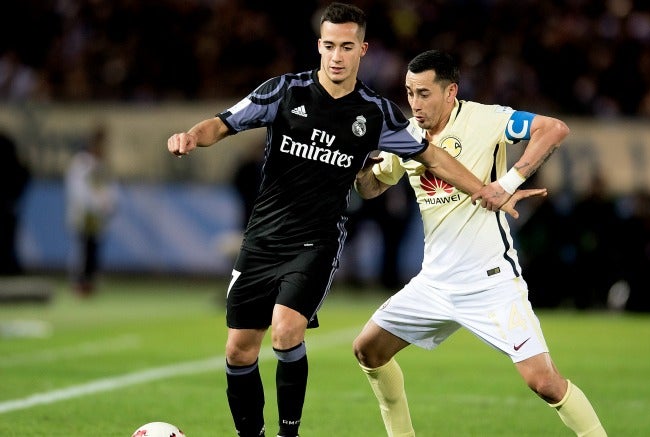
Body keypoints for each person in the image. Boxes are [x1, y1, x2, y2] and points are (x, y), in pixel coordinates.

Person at [166, 5, 510, 437]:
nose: (336, 56)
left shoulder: (375, 112)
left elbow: (432, 155)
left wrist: (482, 188)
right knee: (239, 350)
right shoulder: (284, 92)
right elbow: (225, 122)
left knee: (287, 330)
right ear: (319, 46)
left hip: (316, 241)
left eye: (347, 47)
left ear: (362, 50)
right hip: (263, 238)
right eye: (329, 45)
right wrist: (191, 138)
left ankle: (288, 434)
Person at [352, 50, 607, 437]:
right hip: (434, 283)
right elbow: (371, 188)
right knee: (367, 350)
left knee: (545, 383)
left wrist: (507, 183)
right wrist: (359, 162)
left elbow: (554, 129)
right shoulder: (405, 137)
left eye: (424, 94)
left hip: (491, 281)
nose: (415, 105)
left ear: (450, 91)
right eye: (409, 93)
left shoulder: (486, 119)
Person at [64, 123, 118, 296]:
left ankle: (89, 282)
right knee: (82, 248)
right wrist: (97, 204)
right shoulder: (81, 163)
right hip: (84, 214)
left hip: (97, 216)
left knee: (93, 248)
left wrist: (109, 203)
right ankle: (79, 283)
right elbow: (79, 190)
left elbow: (108, 188)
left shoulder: (100, 164)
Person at [0, 130, 31, 276]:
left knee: (8, 239)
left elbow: (23, 173)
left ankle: (9, 268)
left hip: (7, 206)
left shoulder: (6, 145)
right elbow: (24, 173)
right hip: (8, 206)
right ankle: (9, 268)